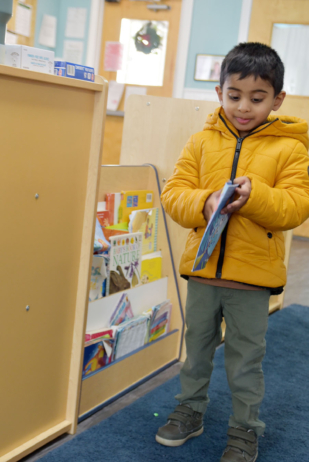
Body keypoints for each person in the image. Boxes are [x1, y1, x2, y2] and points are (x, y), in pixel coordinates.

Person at [156, 42, 309, 462]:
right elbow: (173, 194)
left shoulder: (291, 148)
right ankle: (190, 410)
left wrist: (255, 196)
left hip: (252, 280)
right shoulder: (202, 141)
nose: (244, 107)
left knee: (245, 361)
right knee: (196, 352)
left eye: (257, 99)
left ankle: (244, 430)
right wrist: (204, 202)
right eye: (234, 95)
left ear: (277, 99)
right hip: (203, 274)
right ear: (219, 91)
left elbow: (296, 207)